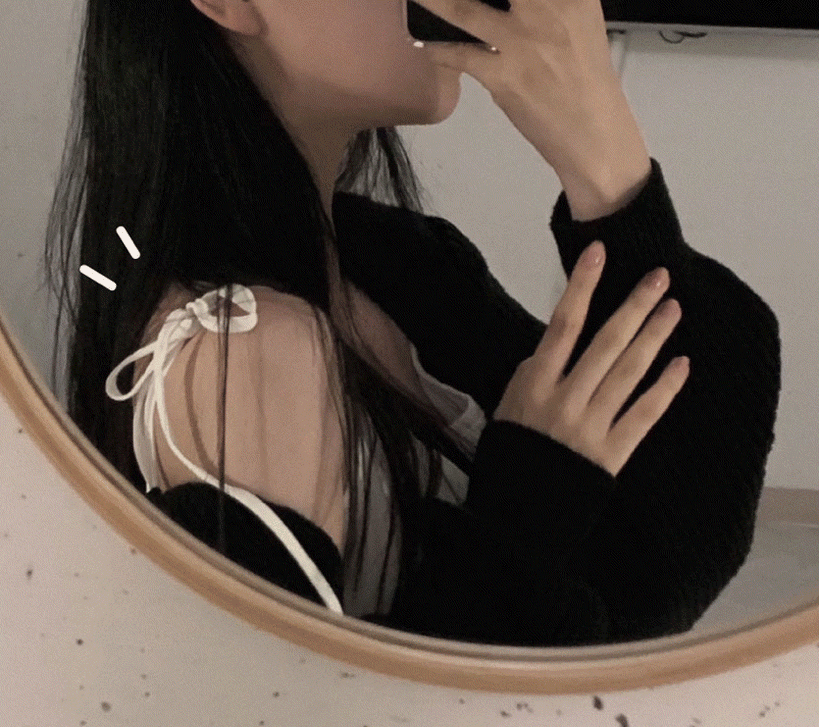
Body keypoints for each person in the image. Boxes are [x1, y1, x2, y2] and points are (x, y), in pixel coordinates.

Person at [43, 0, 780, 646]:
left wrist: (607, 165)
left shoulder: (399, 264)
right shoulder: (247, 351)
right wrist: (524, 513)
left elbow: (670, 546)